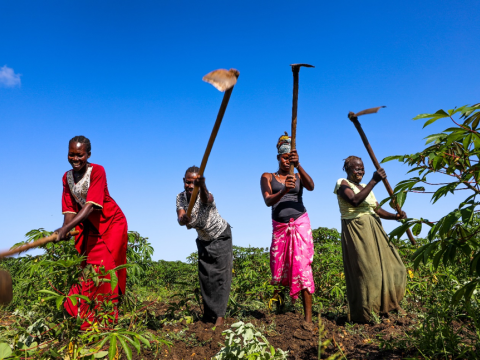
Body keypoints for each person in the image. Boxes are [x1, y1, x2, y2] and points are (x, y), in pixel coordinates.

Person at [56, 136, 128, 330]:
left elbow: (89, 206)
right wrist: (63, 230)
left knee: (103, 271)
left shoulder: (97, 170)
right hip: (90, 227)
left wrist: (66, 229)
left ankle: (104, 322)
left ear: (88, 155)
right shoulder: (67, 177)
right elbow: (70, 209)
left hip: (111, 224)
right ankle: (82, 317)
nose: (75, 158)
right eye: (71, 154)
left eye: (80, 155)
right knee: (87, 269)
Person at [334, 156, 407, 323]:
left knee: (395, 268)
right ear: (347, 169)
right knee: (370, 273)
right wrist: (374, 181)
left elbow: (377, 209)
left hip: (374, 228)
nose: (360, 171)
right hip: (358, 230)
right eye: (356, 168)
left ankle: (388, 306)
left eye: (362, 168)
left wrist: (396, 216)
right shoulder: (342, 183)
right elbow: (354, 201)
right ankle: (368, 314)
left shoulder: (366, 187)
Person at [260, 133, 315, 323]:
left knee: (302, 268)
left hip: (300, 223)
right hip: (280, 227)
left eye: (289, 158)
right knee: (279, 266)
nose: (286, 161)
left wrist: (298, 164)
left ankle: (308, 319)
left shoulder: (297, 175)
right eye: (284, 158)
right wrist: (284, 190)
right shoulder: (268, 177)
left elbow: (312, 186)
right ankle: (280, 313)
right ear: (278, 157)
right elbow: (268, 200)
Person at [176, 166, 232, 326]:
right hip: (203, 239)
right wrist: (183, 220)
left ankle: (220, 317)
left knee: (221, 276)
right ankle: (208, 315)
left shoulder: (204, 194)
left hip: (220, 236)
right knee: (205, 278)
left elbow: (207, 198)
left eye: (195, 183)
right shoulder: (180, 197)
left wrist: (203, 186)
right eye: (188, 182)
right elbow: (180, 216)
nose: (190, 186)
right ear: (184, 181)